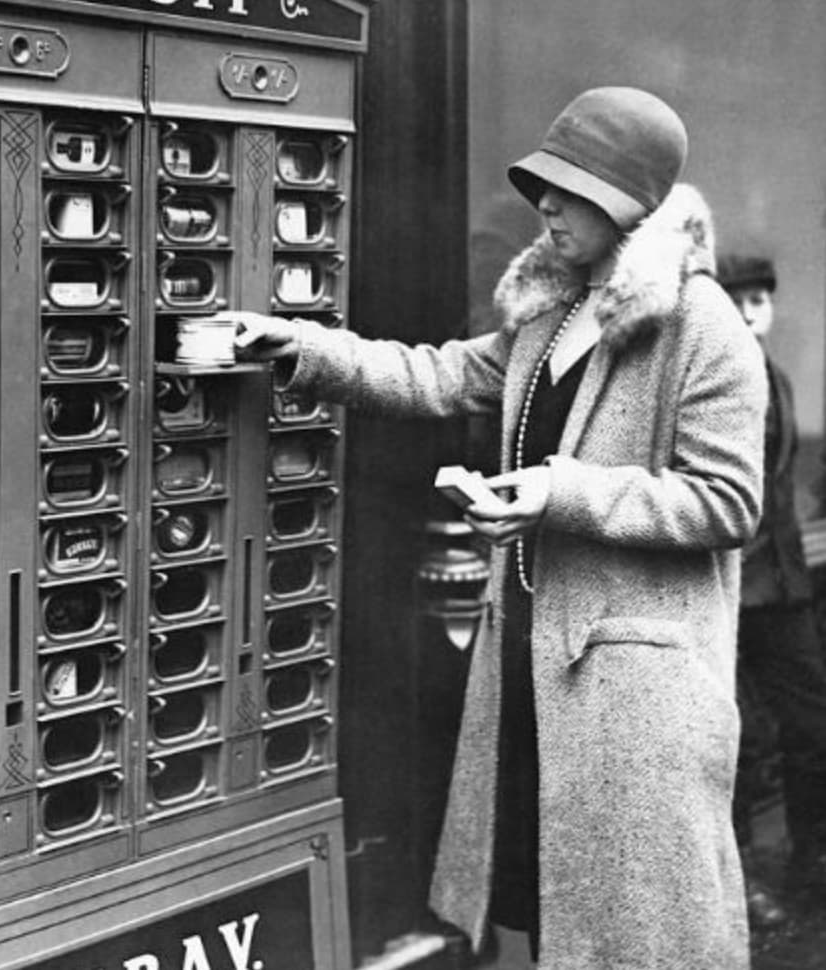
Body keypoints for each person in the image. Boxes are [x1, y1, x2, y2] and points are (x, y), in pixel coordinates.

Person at [226, 87, 766, 969]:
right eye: (540, 187)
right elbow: (436, 376)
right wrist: (296, 346)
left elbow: (726, 502)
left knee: (634, 931)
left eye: (566, 188)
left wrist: (561, 494)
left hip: (634, 695)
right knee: (548, 910)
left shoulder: (704, 330)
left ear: (626, 200)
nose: (543, 206)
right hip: (533, 665)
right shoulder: (552, 312)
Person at [716, 251, 826, 927]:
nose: (753, 307)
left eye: (762, 297)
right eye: (738, 296)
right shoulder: (716, 383)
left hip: (783, 590)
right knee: (734, 743)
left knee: (814, 727)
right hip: (728, 591)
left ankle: (810, 864)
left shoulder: (776, 378)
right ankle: (738, 885)